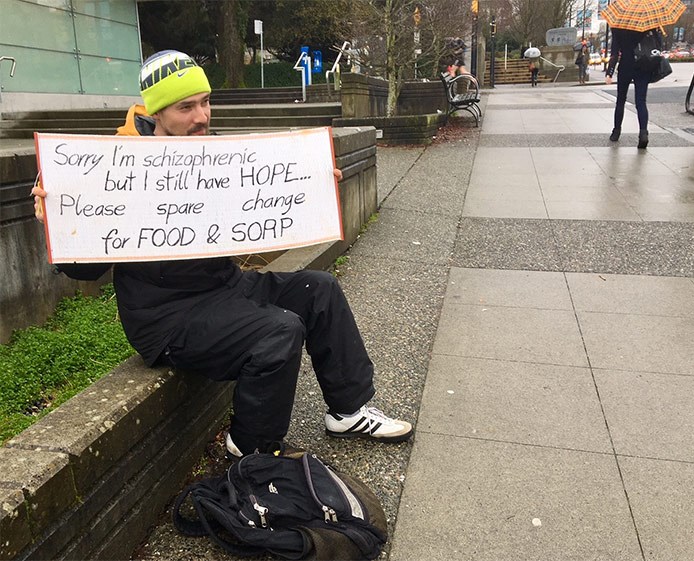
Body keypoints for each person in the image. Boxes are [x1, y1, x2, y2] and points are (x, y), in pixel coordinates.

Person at [31, 50, 413, 458]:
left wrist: (312, 189)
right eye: (186, 107)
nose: (202, 117)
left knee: (318, 288)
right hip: (168, 317)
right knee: (279, 331)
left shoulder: (211, 153)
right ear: (156, 113)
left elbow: (261, 215)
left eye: (206, 102)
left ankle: (348, 410)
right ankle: (252, 451)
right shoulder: (114, 167)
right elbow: (81, 271)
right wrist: (56, 222)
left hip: (226, 286)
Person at [605, 28, 661, 149]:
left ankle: (616, 131)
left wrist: (609, 72)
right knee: (641, 101)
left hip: (626, 64)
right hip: (643, 65)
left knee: (620, 100)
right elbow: (658, 44)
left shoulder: (619, 26)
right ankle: (643, 132)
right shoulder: (648, 24)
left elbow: (614, 51)